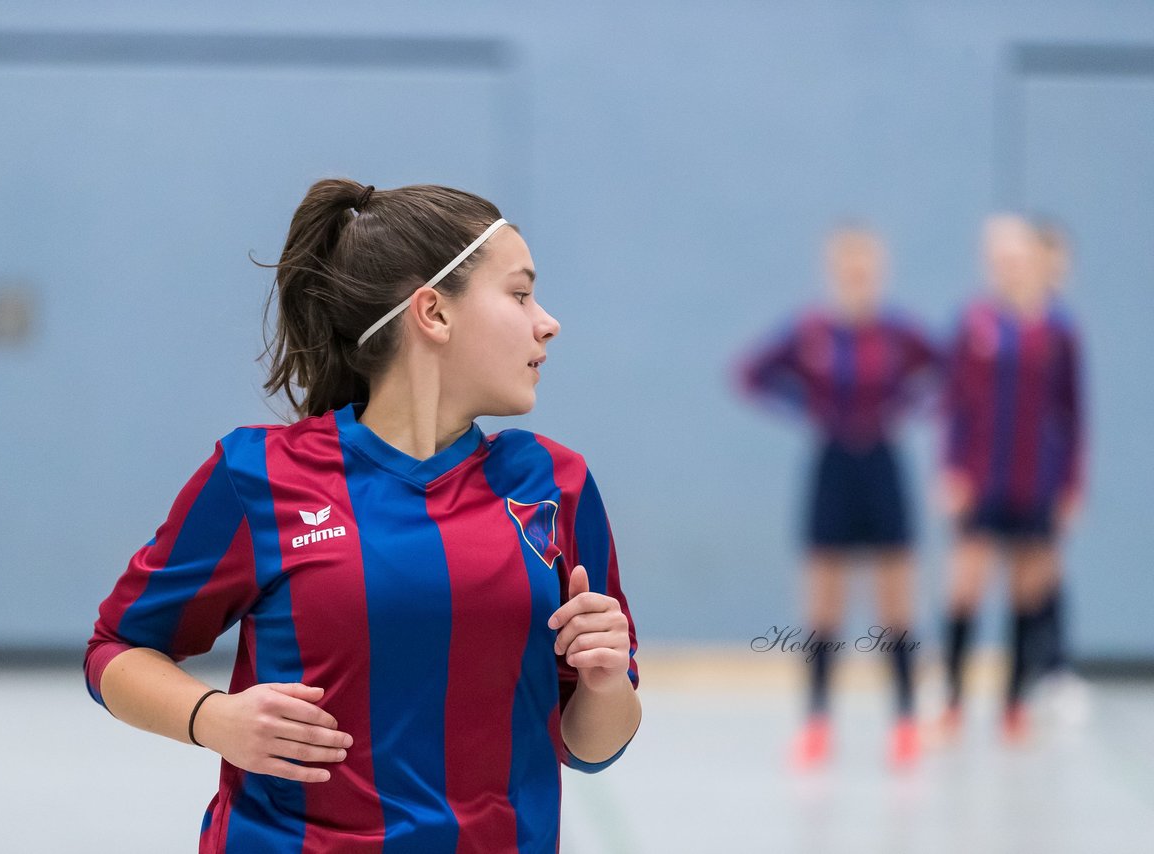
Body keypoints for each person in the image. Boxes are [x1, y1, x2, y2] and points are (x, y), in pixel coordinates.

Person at [84, 180, 642, 853]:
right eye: (520, 294)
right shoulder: (255, 477)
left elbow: (587, 747)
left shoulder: (554, 484)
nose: (546, 322)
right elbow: (114, 651)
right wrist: (214, 718)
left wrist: (607, 682)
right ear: (432, 312)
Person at [736, 225, 939, 768]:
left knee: (897, 604)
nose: (857, 279)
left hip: (882, 465)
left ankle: (904, 721)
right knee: (823, 605)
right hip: (831, 466)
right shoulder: (811, 332)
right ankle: (817, 723)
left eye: (866, 269)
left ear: (879, 272)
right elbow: (751, 374)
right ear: (832, 271)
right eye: (847, 269)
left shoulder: (898, 333)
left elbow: (943, 374)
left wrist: (906, 407)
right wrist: (808, 408)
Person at [940, 214, 1085, 742]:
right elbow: (954, 405)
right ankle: (952, 699)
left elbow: (1073, 415)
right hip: (982, 480)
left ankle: (1013, 704)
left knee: (1026, 593)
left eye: (1018, 258)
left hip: (1035, 482)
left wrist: (1071, 483)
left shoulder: (1058, 331)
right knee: (966, 586)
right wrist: (952, 470)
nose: (1009, 268)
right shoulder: (974, 323)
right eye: (999, 260)